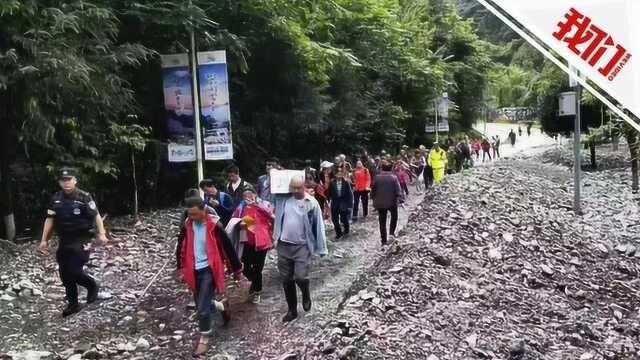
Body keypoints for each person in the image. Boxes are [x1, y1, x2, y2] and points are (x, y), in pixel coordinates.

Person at [176, 197, 243, 356]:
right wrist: (180, 267)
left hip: (209, 269)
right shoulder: (187, 225)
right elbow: (181, 245)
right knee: (202, 301)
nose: (192, 218)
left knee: (202, 309)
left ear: (203, 210)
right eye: (189, 214)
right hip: (193, 269)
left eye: (195, 214)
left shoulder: (215, 226)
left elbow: (228, 248)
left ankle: (204, 339)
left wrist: (237, 269)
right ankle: (221, 306)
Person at [39, 168, 108, 317]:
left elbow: (96, 216)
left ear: (75, 180)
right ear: (59, 182)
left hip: (82, 238)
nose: (66, 183)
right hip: (65, 239)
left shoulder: (84, 197)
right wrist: (44, 240)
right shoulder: (56, 199)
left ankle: (91, 285)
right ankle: (73, 304)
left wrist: (102, 234)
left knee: (75, 270)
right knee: (64, 274)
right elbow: (49, 219)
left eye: (69, 180)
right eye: (63, 181)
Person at [272, 177, 327, 322]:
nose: (295, 191)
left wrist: (321, 248)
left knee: (301, 277)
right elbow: (273, 183)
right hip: (284, 244)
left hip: (302, 246)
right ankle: (292, 310)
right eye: (293, 188)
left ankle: (305, 292)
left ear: (304, 187)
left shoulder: (311, 203)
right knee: (286, 279)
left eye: (298, 188)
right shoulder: (282, 200)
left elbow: (318, 226)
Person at [229, 190, 273, 304]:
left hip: (261, 242)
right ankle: (255, 282)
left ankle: (257, 291)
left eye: (250, 195)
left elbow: (271, 215)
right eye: (245, 196)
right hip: (246, 241)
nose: (247, 198)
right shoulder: (241, 207)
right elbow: (233, 219)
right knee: (245, 266)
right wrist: (239, 224)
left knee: (258, 268)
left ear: (255, 195)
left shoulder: (264, 204)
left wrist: (256, 205)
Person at [371, 162, 403, 246]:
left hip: (380, 203)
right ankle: (391, 233)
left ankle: (383, 240)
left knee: (382, 221)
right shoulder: (394, 178)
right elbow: (398, 190)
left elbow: (373, 189)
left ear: (382, 168)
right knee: (394, 217)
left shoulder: (377, 178)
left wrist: (373, 198)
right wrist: (400, 198)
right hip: (392, 202)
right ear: (391, 169)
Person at [328, 169, 354, 239]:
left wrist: (350, 205)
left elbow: (350, 194)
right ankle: (338, 233)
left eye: (340, 174)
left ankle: (346, 231)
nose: (339, 176)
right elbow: (329, 193)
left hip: (344, 203)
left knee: (344, 219)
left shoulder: (346, 182)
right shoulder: (332, 182)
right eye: (337, 174)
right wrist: (328, 200)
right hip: (335, 203)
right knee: (335, 220)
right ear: (335, 175)